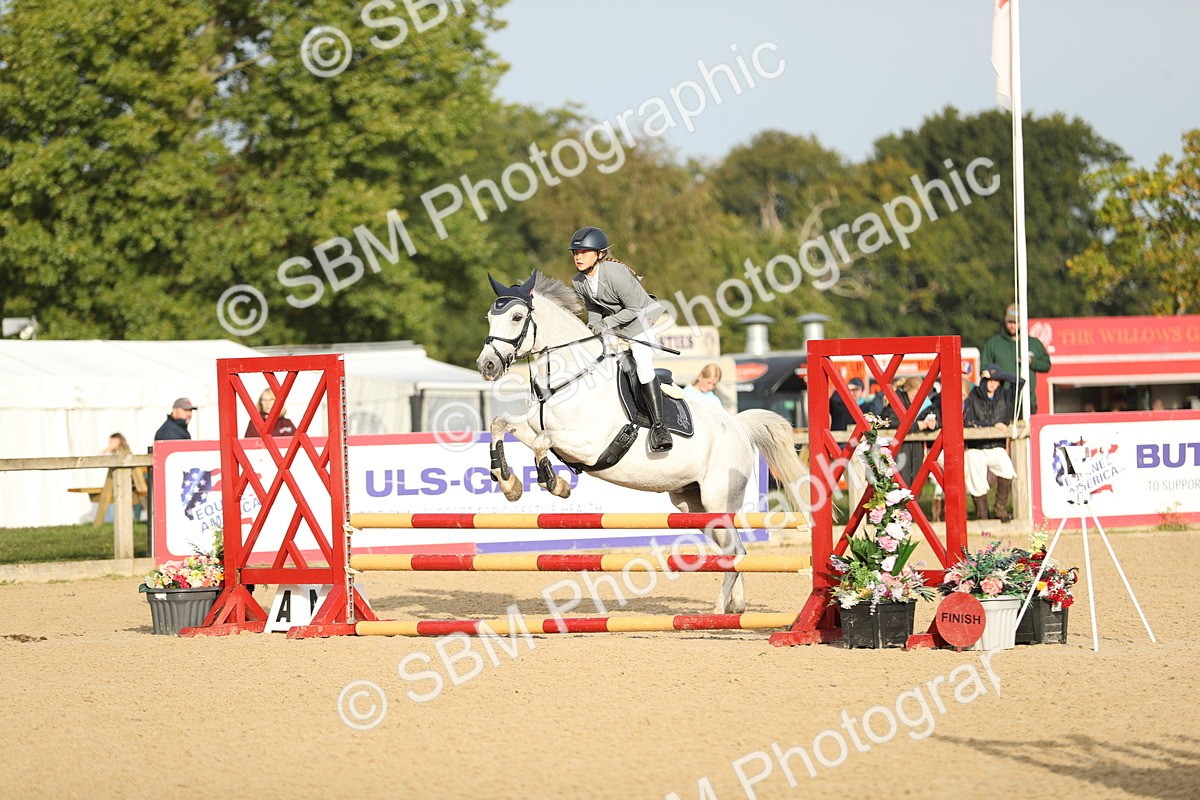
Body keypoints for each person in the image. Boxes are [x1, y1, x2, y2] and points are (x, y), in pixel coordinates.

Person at [568, 225, 672, 452]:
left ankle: (659, 426)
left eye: (583, 253)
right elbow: (593, 308)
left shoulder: (615, 274)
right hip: (615, 322)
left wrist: (605, 324)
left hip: (641, 320)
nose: (578, 257)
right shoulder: (578, 281)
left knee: (642, 364)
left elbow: (634, 309)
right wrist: (592, 326)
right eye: (576, 253)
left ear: (599, 254)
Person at [963, 364, 1018, 522]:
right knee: (977, 482)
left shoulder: (1005, 395)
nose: (992, 383)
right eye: (989, 380)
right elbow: (968, 421)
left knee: (1007, 470)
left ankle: (999, 510)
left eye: (996, 380)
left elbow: (1020, 382)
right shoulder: (974, 395)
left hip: (995, 445)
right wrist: (991, 426)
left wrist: (999, 373)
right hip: (976, 446)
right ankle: (983, 517)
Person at [981, 303, 1051, 415]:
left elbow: (1047, 365)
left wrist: (1031, 362)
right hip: (1001, 402)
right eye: (1010, 322)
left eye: (1016, 322)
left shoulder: (1034, 344)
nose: (1013, 325)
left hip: (1028, 401)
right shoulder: (993, 344)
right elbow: (984, 370)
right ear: (1005, 321)